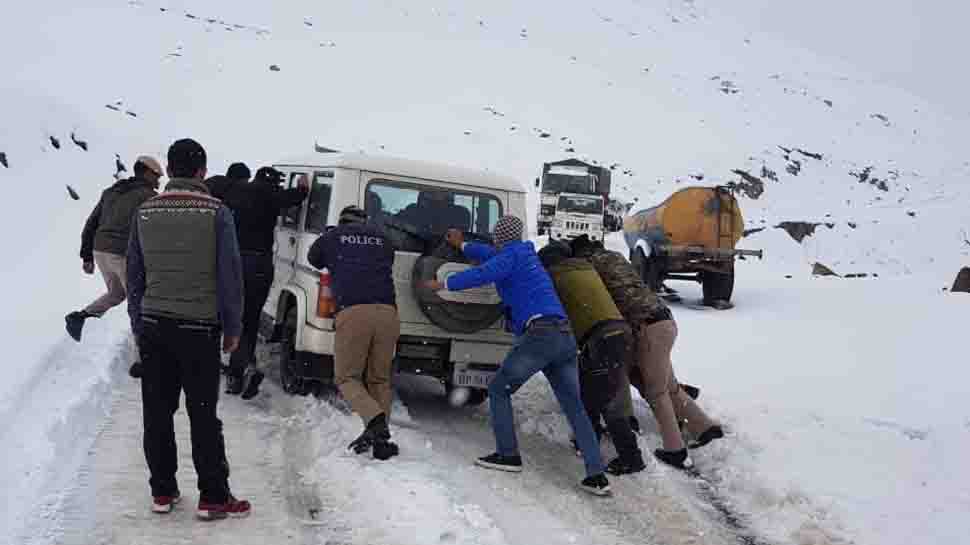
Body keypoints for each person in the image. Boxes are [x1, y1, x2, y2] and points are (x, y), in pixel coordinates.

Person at [423, 218, 612, 496]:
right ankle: (596, 475)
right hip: (563, 336)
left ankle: (507, 454)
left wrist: (443, 283)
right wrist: (462, 244)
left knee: (499, 389)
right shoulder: (523, 255)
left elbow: (482, 273)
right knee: (574, 406)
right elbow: (490, 257)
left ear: (499, 237)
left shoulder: (509, 258)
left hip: (540, 335)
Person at [127, 138, 251, 519]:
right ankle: (213, 497)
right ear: (201, 171)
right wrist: (234, 328)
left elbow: (135, 273)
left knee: (157, 412)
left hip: (154, 326)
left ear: (171, 167)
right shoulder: (217, 212)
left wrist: (138, 321)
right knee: (202, 414)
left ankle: (162, 492)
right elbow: (230, 275)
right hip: (199, 329)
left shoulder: (145, 210)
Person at [571, 235, 724, 470]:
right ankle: (704, 428)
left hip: (647, 327)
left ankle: (675, 451)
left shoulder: (590, 266)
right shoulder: (615, 257)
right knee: (667, 385)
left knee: (656, 391)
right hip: (664, 320)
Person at [537, 241, 645, 475]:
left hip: (601, 337)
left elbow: (555, 314)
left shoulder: (555, 277)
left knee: (599, 398)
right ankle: (591, 441)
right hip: (619, 331)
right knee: (595, 390)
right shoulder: (585, 268)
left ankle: (630, 457)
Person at [307, 205, 400, 460]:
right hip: (388, 312)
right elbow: (387, 259)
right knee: (379, 379)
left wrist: (330, 237)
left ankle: (376, 421)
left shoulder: (333, 237)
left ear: (341, 221)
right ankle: (380, 440)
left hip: (354, 311)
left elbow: (313, 259)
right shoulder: (382, 238)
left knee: (347, 378)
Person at [219, 165, 309, 398]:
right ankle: (241, 369)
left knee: (233, 317)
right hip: (259, 264)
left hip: (234, 262)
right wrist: (303, 186)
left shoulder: (236, 192)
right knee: (250, 319)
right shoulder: (272, 195)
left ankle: (234, 373)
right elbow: (299, 195)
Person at [67, 156, 162, 343]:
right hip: (121, 253)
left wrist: (87, 256)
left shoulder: (111, 191)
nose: (158, 180)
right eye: (156, 175)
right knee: (140, 301)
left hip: (100, 250)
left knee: (117, 293)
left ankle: (80, 318)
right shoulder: (148, 197)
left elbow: (92, 222)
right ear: (146, 172)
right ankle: (144, 345)